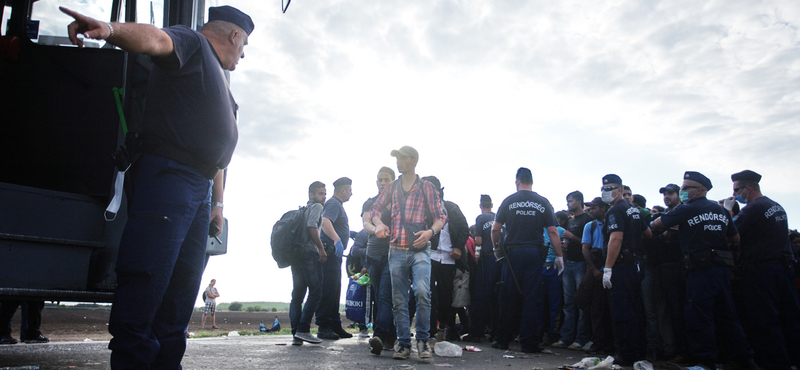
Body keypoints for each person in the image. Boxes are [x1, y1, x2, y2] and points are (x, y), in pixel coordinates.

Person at [60, 5, 253, 368]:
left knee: (181, 292)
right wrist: (111, 29)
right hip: (171, 177)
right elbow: (158, 38)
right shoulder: (193, 43)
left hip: (199, 190)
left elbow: (218, 154)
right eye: (245, 46)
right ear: (234, 36)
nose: (243, 55)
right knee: (146, 280)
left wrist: (218, 203)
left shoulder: (223, 89)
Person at [651, 171, 756, 370]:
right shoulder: (721, 211)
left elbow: (657, 224)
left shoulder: (687, 208)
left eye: (685, 188)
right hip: (721, 269)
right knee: (727, 316)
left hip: (700, 270)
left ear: (700, 190)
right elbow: (735, 238)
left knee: (698, 315)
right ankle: (744, 360)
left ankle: (706, 362)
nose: (682, 191)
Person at [370, 146, 446, 360]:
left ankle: (422, 342)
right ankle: (404, 344)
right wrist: (378, 224)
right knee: (399, 300)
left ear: (413, 161)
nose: (398, 162)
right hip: (396, 250)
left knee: (423, 293)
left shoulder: (426, 187)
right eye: (397, 159)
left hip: (420, 251)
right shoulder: (392, 187)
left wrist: (431, 231)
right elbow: (375, 209)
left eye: (402, 159)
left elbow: (441, 216)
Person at [730, 170, 800, 370]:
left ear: (748, 188)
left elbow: (730, 232)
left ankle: (775, 364)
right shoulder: (776, 206)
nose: (735, 195)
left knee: (764, 320)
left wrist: (727, 211)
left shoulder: (753, 209)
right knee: (790, 316)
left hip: (761, 269)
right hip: (783, 267)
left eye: (736, 190)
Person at [491, 167, 563, 353]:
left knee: (509, 297)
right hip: (533, 253)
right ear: (532, 181)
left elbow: (495, 229)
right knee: (531, 298)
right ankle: (529, 343)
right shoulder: (542, 202)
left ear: (517, 182)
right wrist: (560, 256)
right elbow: (553, 231)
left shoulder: (509, 201)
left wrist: (496, 249)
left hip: (512, 253)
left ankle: (502, 340)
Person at [599, 174, 651, 366]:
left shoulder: (616, 210)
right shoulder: (633, 209)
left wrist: (608, 268)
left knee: (622, 311)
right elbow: (648, 233)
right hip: (636, 264)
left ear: (619, 190)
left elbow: (616, 239)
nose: (605, 192)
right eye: (603, 188)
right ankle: (638, 351)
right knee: (635, 310)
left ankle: (626, 354)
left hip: (622, 265)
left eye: (609, 188)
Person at [423, 176, 469, 343]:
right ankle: (429, 331)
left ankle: (443, 326)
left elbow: (464, 228)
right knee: (428, 294)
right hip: (429, 256)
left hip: (449, 258)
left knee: (445, 297)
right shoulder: (423, 210)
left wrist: (457, 247)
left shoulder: (451, 208)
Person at [651, 184, 689, 363]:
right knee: (670, 312)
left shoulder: (688, 214)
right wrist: (664, 236)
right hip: (666, 268)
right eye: (664, 194)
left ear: (679, 195)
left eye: (670, 193)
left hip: (687, 267)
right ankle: (675, 350)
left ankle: (689, 351)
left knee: (688, 310)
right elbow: (650, 239)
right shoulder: (660, 217)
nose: (666, 197)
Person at [362, 167, 397, 355]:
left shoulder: (399, 202)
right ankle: (390, 337)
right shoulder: (370, 203)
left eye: (386, 179)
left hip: (392, 256)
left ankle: (379, 335)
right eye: (380, 179)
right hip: (372, 255)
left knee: (385, 296)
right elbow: (366, 223)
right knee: (379, 297)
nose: (382, 183)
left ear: (393, 181)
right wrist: (377, 227)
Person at [553, 191, 593, 350]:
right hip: (568, 263)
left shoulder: (588, 220)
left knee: (581, 302)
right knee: (568, 303)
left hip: (581, 264)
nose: (568, 204)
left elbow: (586, 242)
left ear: (579, 202)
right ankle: (566, 337)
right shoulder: (571, 221)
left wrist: (572, 237)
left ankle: (581, 339)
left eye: (570, 201)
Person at [289, 181, 327, 346]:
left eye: (325, 194)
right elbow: (312, 226)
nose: (323, 197)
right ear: (311, 195)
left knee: (297, 296)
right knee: (316, 291)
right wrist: (321, 248)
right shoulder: (316, 208)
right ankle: (303, 328)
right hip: (309, 255)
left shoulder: (303, 210)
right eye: (320, 193)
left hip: (296, 255)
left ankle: (296, 334)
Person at [316, 177, 353, 340]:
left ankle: (335, 325)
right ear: (343, 190)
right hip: (330, 253)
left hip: (335, 255)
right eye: (350, 190)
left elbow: (335, 224)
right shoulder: (333, 203)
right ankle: (323, 327)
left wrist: (349, 234)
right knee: (328, 290)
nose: (352, 194)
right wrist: (337, 239)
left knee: (335, 290)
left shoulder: (337, 205)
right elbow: (325, 222)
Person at [581, 197, 614, 355]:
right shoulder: (591, 226)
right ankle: (598, 340)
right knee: (595, 308)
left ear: (603, 208)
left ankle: (612, 342)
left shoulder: (613, 223)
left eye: (594, 208)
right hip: (595, 270)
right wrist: (594, 270)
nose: (591, 211)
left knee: (612, 309)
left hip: (612, 270)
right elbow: (585, 248)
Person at [464, 194, 499, 343]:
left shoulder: (481, 218)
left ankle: (476, 332)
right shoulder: (498, 216)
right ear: (492, 204)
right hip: (501, 259)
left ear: (480, 206)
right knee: (498, 297)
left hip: (487, 259)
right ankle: (497, 332)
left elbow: (478, 241)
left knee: (481, 296)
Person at [539, 211, 567, 346]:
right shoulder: (537, 230)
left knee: (554, 303)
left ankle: (551, 333)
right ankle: (539, 332)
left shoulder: (561, 231)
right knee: (539, 301)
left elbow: (565, 246)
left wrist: (560, 257)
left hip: (555, 268)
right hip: (540, 268)